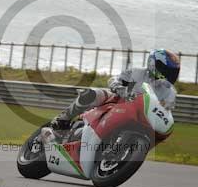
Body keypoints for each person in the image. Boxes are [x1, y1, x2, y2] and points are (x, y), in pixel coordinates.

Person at [51, 49, 181, 130]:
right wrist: (119, 88)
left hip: (140, 119)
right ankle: (63, 118)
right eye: (166, 71)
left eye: (172, 72)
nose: (169, 75)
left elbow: (166, 112)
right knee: (91, 94)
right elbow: (114, 80)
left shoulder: (170, 93)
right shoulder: (136, 73)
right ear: (153, 65)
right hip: (118, 101)